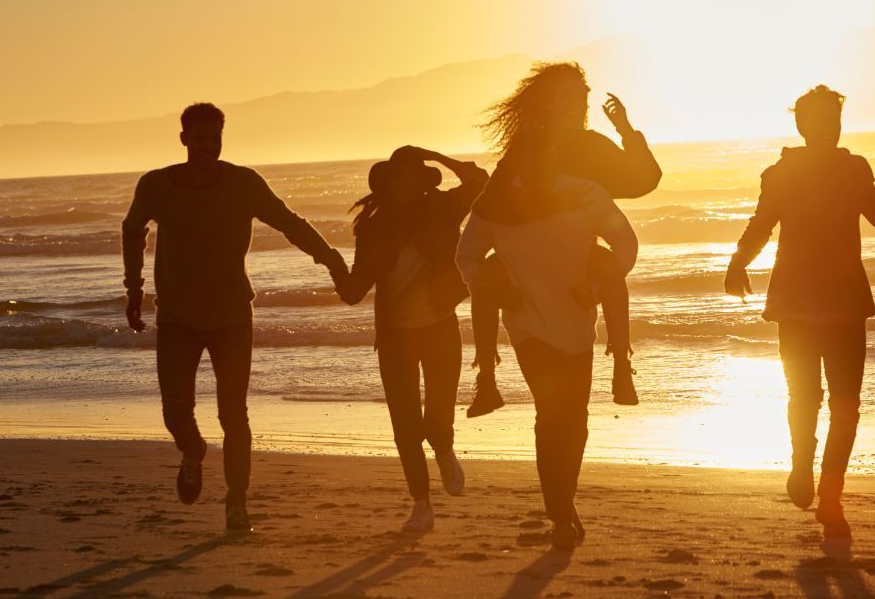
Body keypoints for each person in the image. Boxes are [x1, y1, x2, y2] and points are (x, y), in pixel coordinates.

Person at [121, 103, 346, 534]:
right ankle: (193, 451)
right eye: (199, 138)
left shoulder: (244, 183)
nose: (208, 147)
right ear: (184, 138)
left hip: (230, 318)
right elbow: (132, 229)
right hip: (176, 319)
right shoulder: (155, 185)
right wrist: (134, 288)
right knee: (175, 410)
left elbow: (289, 223)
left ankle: (236, 505)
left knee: (234, 414)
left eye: (215, 138)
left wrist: (332, 259)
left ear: (223, 138)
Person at [455, 128, 638, 551]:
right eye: (531, 158)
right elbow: (466, 256)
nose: (540, 166)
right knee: (551, 414)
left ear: (557, 158)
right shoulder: (497, 204)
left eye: (547, 157)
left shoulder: (584, 193)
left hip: (578, 323)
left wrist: (597, 286)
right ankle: (558, 515)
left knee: (575, 422)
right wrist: (493, 284)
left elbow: (625, 242)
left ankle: (622, 367)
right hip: (527, 326)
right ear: (517, 162)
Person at [724, 85, 875, 542]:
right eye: (819, 120)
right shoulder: (780, 174)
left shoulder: (855, 168)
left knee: (847, 404)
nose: (829, 127)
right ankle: (800, 462)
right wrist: (737, 262)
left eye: (835, 118)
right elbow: (762, 222)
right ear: (802, 125)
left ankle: (832, 493)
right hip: (794, 301)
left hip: (847, 302)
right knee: (804, 397)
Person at [465, 62, 661, 417]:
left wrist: (625, 130)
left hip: (577, 249)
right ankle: (487, 380)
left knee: (606, 264)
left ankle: (621, 363)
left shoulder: (590, 146)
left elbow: (644, 179)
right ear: (547, 103)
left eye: (581, 99)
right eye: (566, 98)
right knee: (488, 276)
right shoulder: (526, 145)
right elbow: (493, 204)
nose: (577, 106)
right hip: (528, 253)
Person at [333, 145, 488, 533]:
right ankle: (421, 505)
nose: (404, 185)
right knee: (404, 426)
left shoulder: (443, 209)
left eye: (412, 177)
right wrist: (329, 260)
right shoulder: (372, 227)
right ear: (388, 184)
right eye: (398, 178)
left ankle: (444, 447)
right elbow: (354, 291)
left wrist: (434, 155)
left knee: (437, 419)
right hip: (394, 337)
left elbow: (480, 180)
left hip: (439, 327)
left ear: (421, 183)